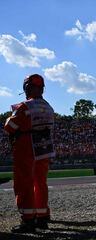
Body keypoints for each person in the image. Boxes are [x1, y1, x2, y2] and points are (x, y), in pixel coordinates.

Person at [4, 74, 55, 233]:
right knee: (40, 182)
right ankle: (42, 216)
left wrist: (8, 118)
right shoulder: (49, 107)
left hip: (26, 148)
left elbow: (10, 127)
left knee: (24, 183)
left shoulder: (24, 107)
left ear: (27, 88)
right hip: (44, 148)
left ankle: (28, 221)